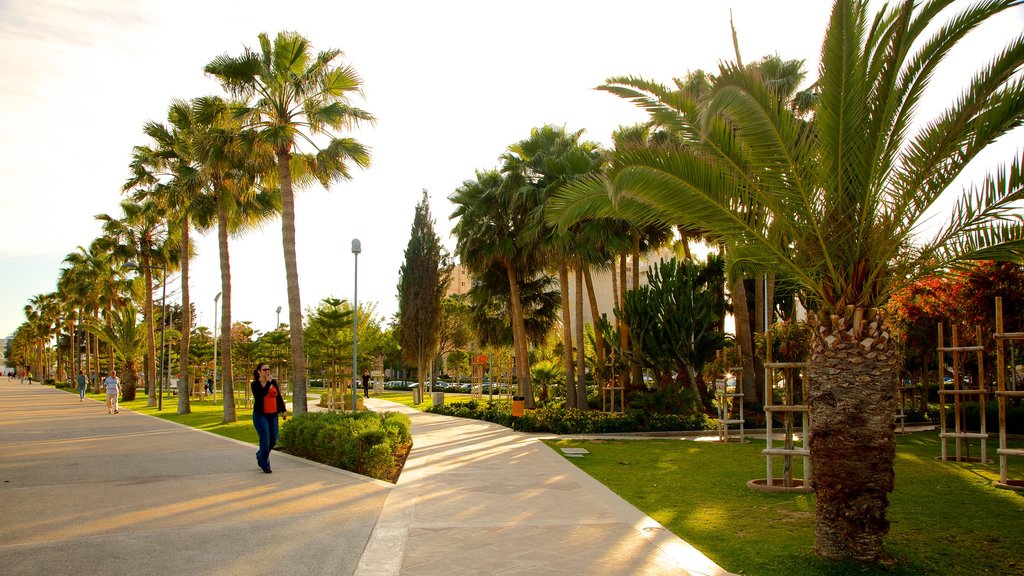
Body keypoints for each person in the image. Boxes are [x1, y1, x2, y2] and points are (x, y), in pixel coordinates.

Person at [251, 362, 287, 473]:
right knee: (265, 440)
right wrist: (268, 382)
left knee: (273, 440)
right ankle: (265, 463)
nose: (267, 371)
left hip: (273, 415)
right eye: (264, 370)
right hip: (261, 415)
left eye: (268, 369)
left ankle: (260, 455)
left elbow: (278, 397)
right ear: (259, 372)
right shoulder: (255, 384)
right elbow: (261, 394)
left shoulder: (273, 382)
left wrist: (283, 410)